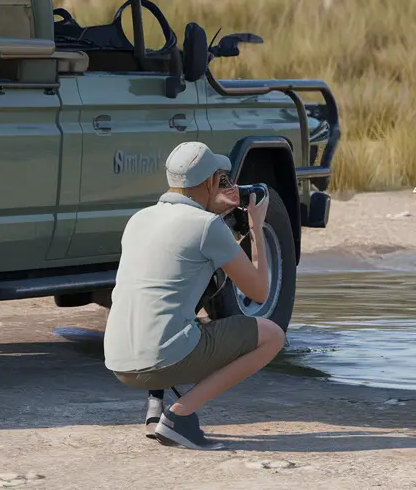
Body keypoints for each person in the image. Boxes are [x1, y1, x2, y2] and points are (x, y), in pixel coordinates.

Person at [103, 141, 285, 450]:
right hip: (161, 362)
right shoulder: (208, 226)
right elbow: (259, 292)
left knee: (167, 313)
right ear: (211, 181)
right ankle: (179, 417)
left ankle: (155, 410)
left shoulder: (139, 219)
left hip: (119, 361)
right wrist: (255, 227)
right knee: (272, 335)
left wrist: (213, 216)